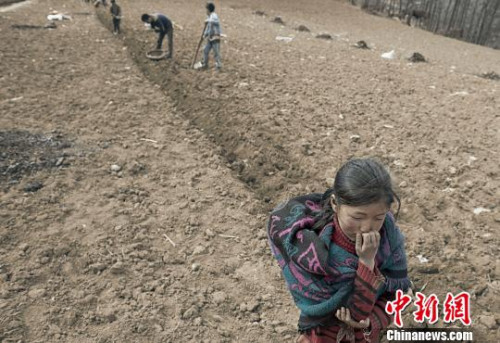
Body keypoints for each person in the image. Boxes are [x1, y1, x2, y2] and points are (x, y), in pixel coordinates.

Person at [267, 158, 411, 343]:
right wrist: (366, 262)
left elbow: (394, 296)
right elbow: (348, 311)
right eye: (358, 217)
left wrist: (371, 321)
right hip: (323, 335)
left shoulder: (388, 239)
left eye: (379, 217)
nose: (368, 227)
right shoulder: (315, 252)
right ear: (335, 204)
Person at [200, 2, 222, 70]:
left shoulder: (214, 15)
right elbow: (208, 28)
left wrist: (208, 21)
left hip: (215, 37)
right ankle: (205, 64)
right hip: (210, 38)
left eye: (206, 9)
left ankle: (218, 66)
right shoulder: (209, 17)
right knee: (205, 50)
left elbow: (213, 21)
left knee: (216, 53)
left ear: (209, 10)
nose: (206, 11)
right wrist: (204, 36)